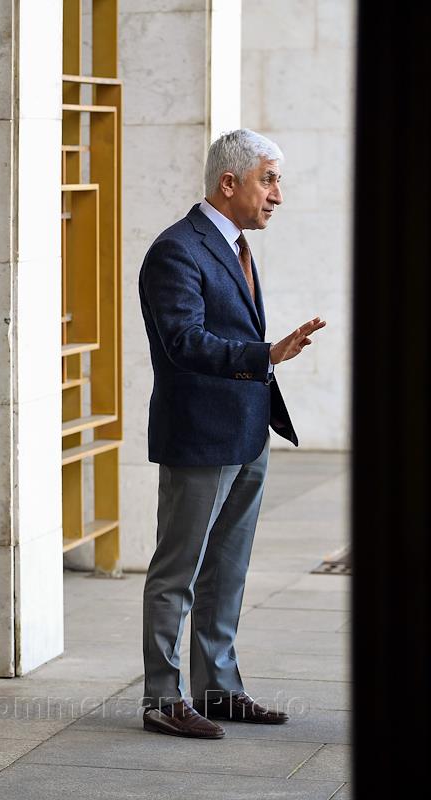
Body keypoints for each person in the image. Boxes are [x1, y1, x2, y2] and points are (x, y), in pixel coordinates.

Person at [137, 128, 327, 739]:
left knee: (227, 571)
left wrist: (262, 365)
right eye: (268, 180)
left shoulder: (235, 246)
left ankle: (218, 691)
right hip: (199, 438)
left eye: (277, 182)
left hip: (247, 432)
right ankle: (162, 700)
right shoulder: (176, 250)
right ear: (228, 182)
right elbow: (184, 341)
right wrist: (265, 354)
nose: (277, 195)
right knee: (178, 573)